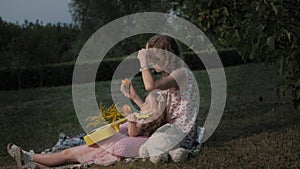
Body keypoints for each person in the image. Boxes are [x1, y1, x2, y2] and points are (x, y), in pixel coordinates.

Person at [7, 34, 199, 168]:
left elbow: (150, 86)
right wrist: (135, 99)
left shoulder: (181, 74)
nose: (151, 61)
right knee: (104, 140)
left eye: (153, 57)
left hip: (176, 137)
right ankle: (34, 160)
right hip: (163, 132)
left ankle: (33, 159)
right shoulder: (171, 77)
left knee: (106, 145)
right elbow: (155, 113)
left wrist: (143, 62)